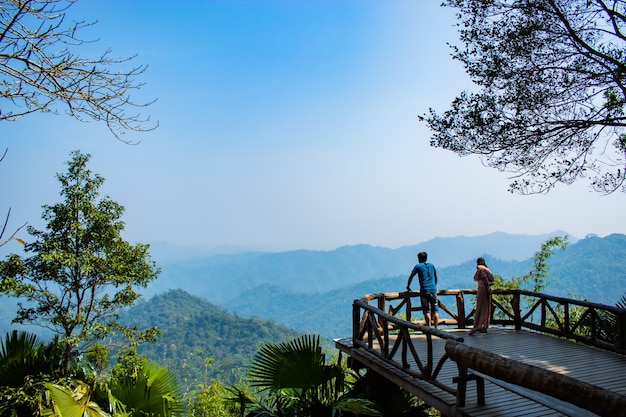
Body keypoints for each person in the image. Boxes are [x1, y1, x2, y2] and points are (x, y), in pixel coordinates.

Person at [406, 251, 439, 327]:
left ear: (419, 258)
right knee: (435, 310)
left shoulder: (418, 266)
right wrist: (434, 285)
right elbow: (436, 276)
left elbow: (411, 276)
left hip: (424, 290)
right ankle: (436, 328)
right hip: (433, 290)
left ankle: (428, 328)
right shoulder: (431, 265)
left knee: (426, 310)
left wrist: (408, 286)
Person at [469, 257, 494, 335]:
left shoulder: (480, 269)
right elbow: (492, 280)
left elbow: (483, 277)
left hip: (482, 289)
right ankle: (484, 325)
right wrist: (489, 285)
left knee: (479, 307)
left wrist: (486, 283)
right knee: (486, 307)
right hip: (487, 290)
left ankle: (476, 325)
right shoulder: (487, 270)